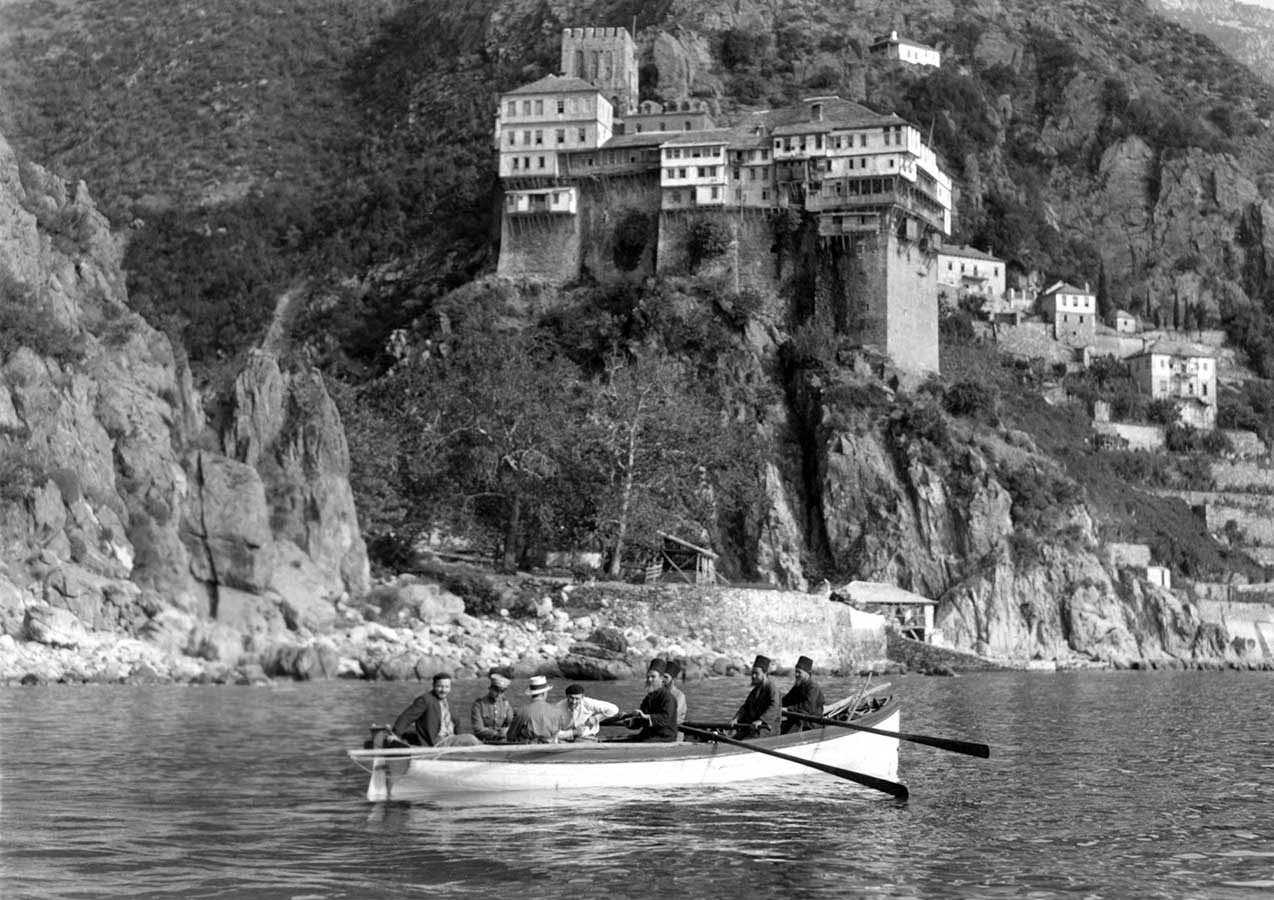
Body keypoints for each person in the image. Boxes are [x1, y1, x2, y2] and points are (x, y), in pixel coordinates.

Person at [391, 672, 480, 747]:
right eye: (440, 686)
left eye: (446, 687)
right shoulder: (425, 700)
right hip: (437, 741)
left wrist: (461, 737)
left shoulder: (449, 703)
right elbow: (407, 717)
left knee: (470, 739)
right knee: (471, 739)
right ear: (434, 686)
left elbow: (457, 724)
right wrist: (395, 734)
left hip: (451, 738)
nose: (443, 690)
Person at [618, 658, 678, 742]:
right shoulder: (649, 697)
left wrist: (646, 716)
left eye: (653, 677)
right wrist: (630, 721)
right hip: (648, 735)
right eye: (648, 677)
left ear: (661, 678)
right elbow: (642, 718)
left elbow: (665, 718)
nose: (649, 680)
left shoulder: (668, 697)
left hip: (664, 737)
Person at [507, 675, 574, 743]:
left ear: (531, 693)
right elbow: (559, 732)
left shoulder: (522, 711)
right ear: (544, 693)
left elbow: (510, 736)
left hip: (528, 749)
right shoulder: (557, 711)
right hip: (551, 749)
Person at [730, 654, 782, 739]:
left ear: (765, 673)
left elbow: (774, 707)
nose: (753, 676)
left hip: (767, 729)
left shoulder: (772, 689)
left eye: (756, 673)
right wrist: (736, 718)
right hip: (753, 727)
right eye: (752, 673)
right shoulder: (755, 690)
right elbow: (745, 707)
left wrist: (761, 720)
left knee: (745, 740)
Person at [781, 655, 826, 734]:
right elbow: (786, 700)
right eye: (796, 672)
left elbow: (807, 708)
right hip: (797, 720)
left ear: (807, 673)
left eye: (799, 672)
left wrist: (788, 709)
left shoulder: (813, 687)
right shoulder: (798, 685)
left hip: (811, 724)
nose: (796, 675)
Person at [470, 669, 515, 743]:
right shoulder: (479, 704)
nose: (499, 694)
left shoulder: (505, 704)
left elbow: (511, 722)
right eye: (496, 691)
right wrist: (496, 734)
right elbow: (478, 728)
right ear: (490, 689)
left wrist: (507, 730)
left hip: (502, 740)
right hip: (484, 741)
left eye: (502, 691)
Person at [662, 658, 687, 741]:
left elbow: (672, 716)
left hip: (673, 735)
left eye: (666, 677)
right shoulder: (658, 693)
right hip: (659, 732)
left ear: (673, 680)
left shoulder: (680, 696)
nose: (662, 680)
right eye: (661, 676)